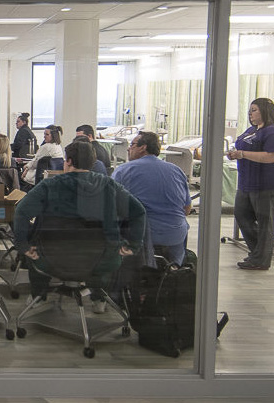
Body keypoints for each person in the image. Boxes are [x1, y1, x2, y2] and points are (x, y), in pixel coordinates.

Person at [13, 141, 146, 306]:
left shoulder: (49, 185)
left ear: (68, 161)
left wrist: (23, 245)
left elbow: (21, 212)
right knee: (100, 255)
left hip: (52, 259)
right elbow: (139, 212)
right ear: (92, 162)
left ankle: (38, 296)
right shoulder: (109, 185)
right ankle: (99, 298)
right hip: (102, 260)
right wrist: (133, 245)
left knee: (34, 249)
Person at [227, 97, 274, 270]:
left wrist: (242, 154)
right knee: (241, 215)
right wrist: (234, 154)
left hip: (268, 182)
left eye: (254, 109)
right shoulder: (252, 130)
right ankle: (258, 253)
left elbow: (272, 156)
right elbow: (242, 147)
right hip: (248, 181)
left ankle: (261, 260)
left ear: (265, 111)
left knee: (264, 221)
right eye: (250, 110)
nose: (250, 113)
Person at [112, 131, 191, 265]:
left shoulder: (123, 171)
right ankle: (175, 271)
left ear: (143, 147)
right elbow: (187, 209)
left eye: (132, 145)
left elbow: (110, 206)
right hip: (175, 236)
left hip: (142, 238)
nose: (128, 148)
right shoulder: (176, 171)